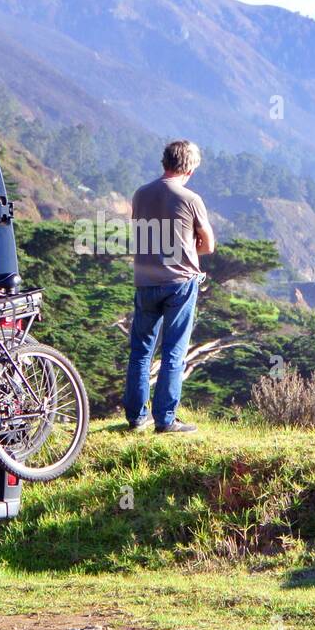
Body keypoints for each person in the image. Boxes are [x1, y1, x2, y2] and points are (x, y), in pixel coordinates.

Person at [122, 140, 215, 433]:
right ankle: (165, 419)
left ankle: (136, 418)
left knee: (141, 351)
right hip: (179, 282)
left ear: (165, 162)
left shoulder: (141, 194)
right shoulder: (190, 199)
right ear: (189, 167)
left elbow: (146, 235)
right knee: (174, 350)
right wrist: (186, 247)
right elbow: (208, 245)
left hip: (145, 281)